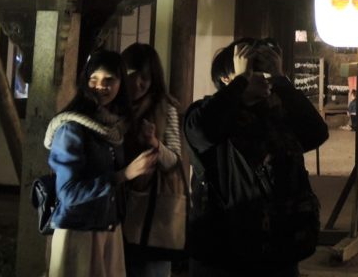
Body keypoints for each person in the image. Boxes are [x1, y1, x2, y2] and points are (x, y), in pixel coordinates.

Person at [184, 37, 329, 277]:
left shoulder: (277, 114)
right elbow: (203, 132)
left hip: (279, 250)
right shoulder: (206, 113)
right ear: (226, 79)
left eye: (264, 71)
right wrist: (241, 82)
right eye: (252, 71)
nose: (261, 77)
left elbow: (316, 133)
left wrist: (281, 79)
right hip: (223, 255)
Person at [44, 49, 158, 277]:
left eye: (109, 80)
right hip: (78, 232)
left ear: (120, 84)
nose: (100, 86)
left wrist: (148, 144)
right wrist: (123, 175)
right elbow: (67, 193)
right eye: (93, 79)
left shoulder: (115, 129)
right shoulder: (71, 128)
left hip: (109, 228)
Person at [121, 43, 185, 277]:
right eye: (131, 75)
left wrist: (154, 142)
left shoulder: (164, 108)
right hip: (117, 206)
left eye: (145, 78)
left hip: (152, 212)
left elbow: (174, 162)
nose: (137, 84)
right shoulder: (114, 107)